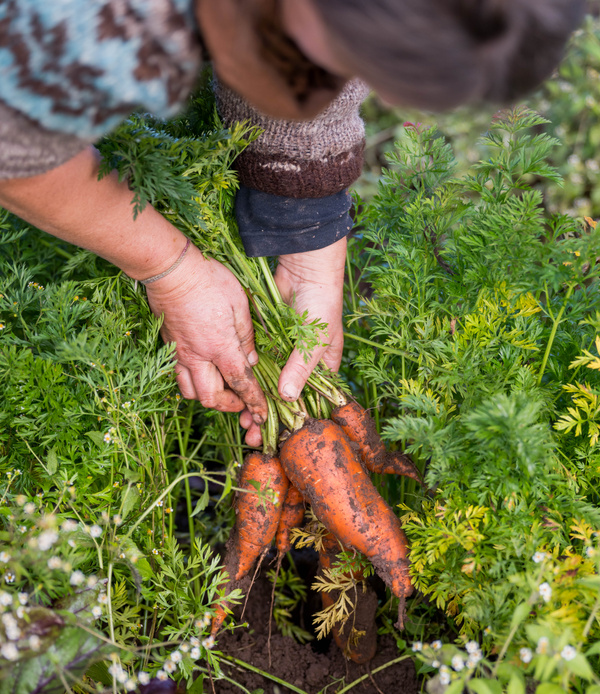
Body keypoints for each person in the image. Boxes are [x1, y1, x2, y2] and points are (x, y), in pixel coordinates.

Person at [0, 0, 583, 446]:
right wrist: (170, 269)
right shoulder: (92, 20)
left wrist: (308, 231)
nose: (337, 85)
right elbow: (15, 152)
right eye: (342, 60)